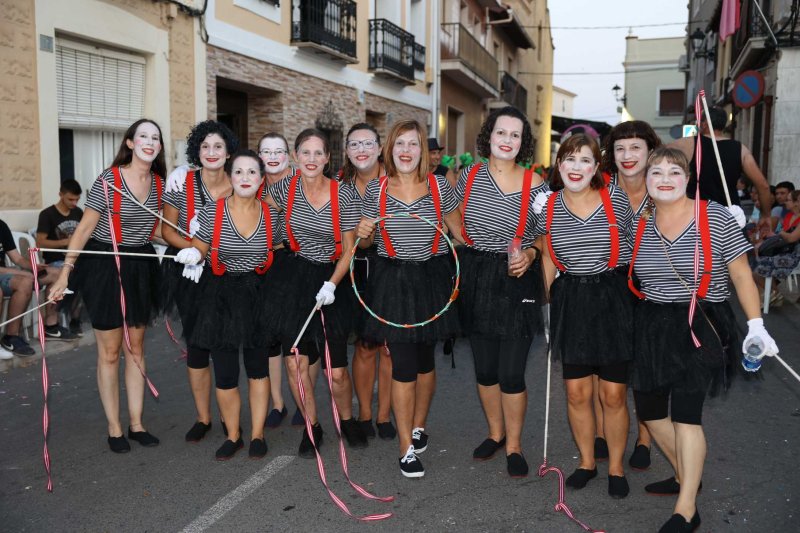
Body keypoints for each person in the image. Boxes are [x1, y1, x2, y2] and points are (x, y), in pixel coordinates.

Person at [629, 147, 778, 532]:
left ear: (688, 178)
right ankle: (685, 473)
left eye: (673, 171)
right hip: (652, 324)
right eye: (656, 172)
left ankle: (686, 508)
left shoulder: (715, 217)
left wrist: (756, 325)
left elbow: (741, 274)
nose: (664, 178)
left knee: (686, 414)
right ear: (646, 179)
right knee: (650, 411)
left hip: (701, 323)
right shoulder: (639, 222)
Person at [49, 118, 166, 453]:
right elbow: (85, 229)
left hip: (140, 265)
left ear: (159, 146)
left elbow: (154, 230)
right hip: (104, 264)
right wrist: (65, 272)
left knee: (136, 348)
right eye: (143, 136)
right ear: (130, 143)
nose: (149, 142)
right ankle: (115, 428)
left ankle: (137, 424)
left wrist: (194, 245)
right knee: (111, 351)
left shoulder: (159, 184)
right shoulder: (109, 181)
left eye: (155, 137)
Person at [355, 119, 462, 478]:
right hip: (393, 281)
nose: (406, 150)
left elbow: (459, 231)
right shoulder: (377, 189)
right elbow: (366, 242)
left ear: (423, 151)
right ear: (390, 149)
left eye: (413, 144)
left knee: (424, 362)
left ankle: (418, 425)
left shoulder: (439, 186)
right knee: (402, 363)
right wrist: (364, 232)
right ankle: (406, 448)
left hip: (431, 280)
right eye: (399, 143)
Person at [538, 133, 635, 498]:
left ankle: (616, 467)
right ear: (559, 164)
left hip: (613, 297)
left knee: (613, 394)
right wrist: (546, 307)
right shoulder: (547, 206)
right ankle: (587, 462)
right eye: (569, 159)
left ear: (596, 167)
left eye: (584, 160)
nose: (575, 167)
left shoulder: (615, 199)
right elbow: (547, 256)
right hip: (571, 300)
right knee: (577, 393)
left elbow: (640, 243)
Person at [455, 106, 546, 478]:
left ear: (523, 143)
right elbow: (451, 213)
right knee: (486, 368)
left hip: (516, 277)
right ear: (488, 136)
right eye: (501, 132)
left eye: (515, 135)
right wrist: (462, 239)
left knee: (511, 372)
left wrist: (531, 253)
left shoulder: (536, 184)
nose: (507, 140)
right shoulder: (468, 176)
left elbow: (546, 233)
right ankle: (495, 433)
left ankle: (514, 445)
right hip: (476, 276)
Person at [174, 150, 282, 460]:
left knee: (258, 369)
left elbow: (279, 248)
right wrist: (194, 254)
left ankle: (257, 434)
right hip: (219, 297)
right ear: (230, 177)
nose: (245, 178)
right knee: (225, 371)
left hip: (259, 296)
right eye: (239, 172)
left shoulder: (272, 215)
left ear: (261, 179)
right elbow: (200, 247)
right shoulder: (212, 211)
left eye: (252, 172)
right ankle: (233, 435)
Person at [265, 128, 366, 457]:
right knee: (295, 363)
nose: (311, 159)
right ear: (296, 156)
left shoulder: (344, 194)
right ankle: (313, 426)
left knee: (336, 372)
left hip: (332, 278)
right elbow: (254, 211)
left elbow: (350, 249)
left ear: (327, 158)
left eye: (318, 153)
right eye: (305, 153)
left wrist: (332, 284)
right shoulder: (283, 188)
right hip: (293, 279)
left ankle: (347, 421)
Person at [162, 120, 237, 443]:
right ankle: (203, 418)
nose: (211, 152)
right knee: (197, 344)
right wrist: (193, 250)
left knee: (225, 343)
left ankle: (228, 417)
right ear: (197, 151)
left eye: (218, 146)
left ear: (228, 152)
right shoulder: (182, 181)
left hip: (230, 273)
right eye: (205, 146)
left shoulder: (239, 182)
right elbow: (166, 229)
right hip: (189, 271)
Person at [598, 120, 662, 470]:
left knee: (645, 364)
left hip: (653, 288)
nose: (627, 155)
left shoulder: (664, 188)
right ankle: (603, 433)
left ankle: (645, 437)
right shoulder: (601, 187)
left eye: (636, 147)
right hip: (608, 285)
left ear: (651, 152)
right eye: (620, 148)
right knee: (605, 364)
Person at [341, 123, 396, 440]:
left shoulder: (396, 181)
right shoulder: (340, 186)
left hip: (391, 268)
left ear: (379, 148)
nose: (361, 150)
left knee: (388, 349)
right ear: (347, 151)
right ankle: (364, 413)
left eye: (367, 143)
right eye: (354, 144)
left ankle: (384, 415)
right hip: (355, 269)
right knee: (364, 346)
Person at [257, 132, 314, 429]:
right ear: (259, 155)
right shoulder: (251, 182)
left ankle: (305, 400)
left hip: (300, 263)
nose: (272, 156)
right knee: (269, 337)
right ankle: (278, 403)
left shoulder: (303, 181)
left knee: (303, 337)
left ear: (288, 155)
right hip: (265, 266)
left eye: (278, 150)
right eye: (266, 151)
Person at [668, 105, 772, 229]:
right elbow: (763, 185)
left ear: (704, 124)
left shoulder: (686, 144)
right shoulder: (740, 149)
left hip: (695, 218)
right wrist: (765, 215)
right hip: (729, 219)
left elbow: (656, 158)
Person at [35, 179, 84, 339]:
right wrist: (66, 242)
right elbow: (40, 242)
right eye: (70, 199)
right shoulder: (47, 214)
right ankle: (53, 324)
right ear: (60, 195)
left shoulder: (78, 212)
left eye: (77, 199)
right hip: (55, 261)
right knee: (70, 275)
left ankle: (75, 320)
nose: (74, 203)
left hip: (76, 260)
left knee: (91, 273)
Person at [751, 190, 800, 306]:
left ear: (796, 203)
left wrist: (781, 234)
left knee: (759, 267)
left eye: (788, 200)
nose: (785, 202)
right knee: (757, 263)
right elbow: (783, 237)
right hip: (786, 251)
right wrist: (774, 235)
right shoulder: (789, 216)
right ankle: (774, 294)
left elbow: (791, 238)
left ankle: (775, 294)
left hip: (795, 255)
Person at [0, 218, 39, 357]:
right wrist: (19, 272)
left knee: (25, 282)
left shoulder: (1, 225)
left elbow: (17, 258)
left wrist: (34, 266)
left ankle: (11, 337)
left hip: (2, 274)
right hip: (3, 272)